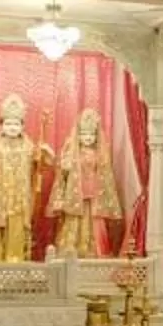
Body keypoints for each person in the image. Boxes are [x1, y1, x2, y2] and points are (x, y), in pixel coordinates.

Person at [0, 94, 47, 262]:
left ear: (22, 125)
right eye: (8, 123)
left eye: (16, 123)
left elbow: (39, 166)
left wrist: (46, 155)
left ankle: (15, 270)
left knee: (17, 232)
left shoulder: (28, 144)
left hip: (19, 199)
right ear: (0, 125)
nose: (12, 127)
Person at [49, 108, 122, 258]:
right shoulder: (71, 151)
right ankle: (71, 254)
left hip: (94, 194)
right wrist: (64, 167)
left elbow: (105, 175)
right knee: (74, 222)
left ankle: (94, 253)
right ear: (78, 134)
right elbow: (63, 174)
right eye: (83, 134)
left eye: (91, 134)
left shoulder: (100, 153)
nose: (87, 137)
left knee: (94, 223)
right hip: (76, 194)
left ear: (96, 135)